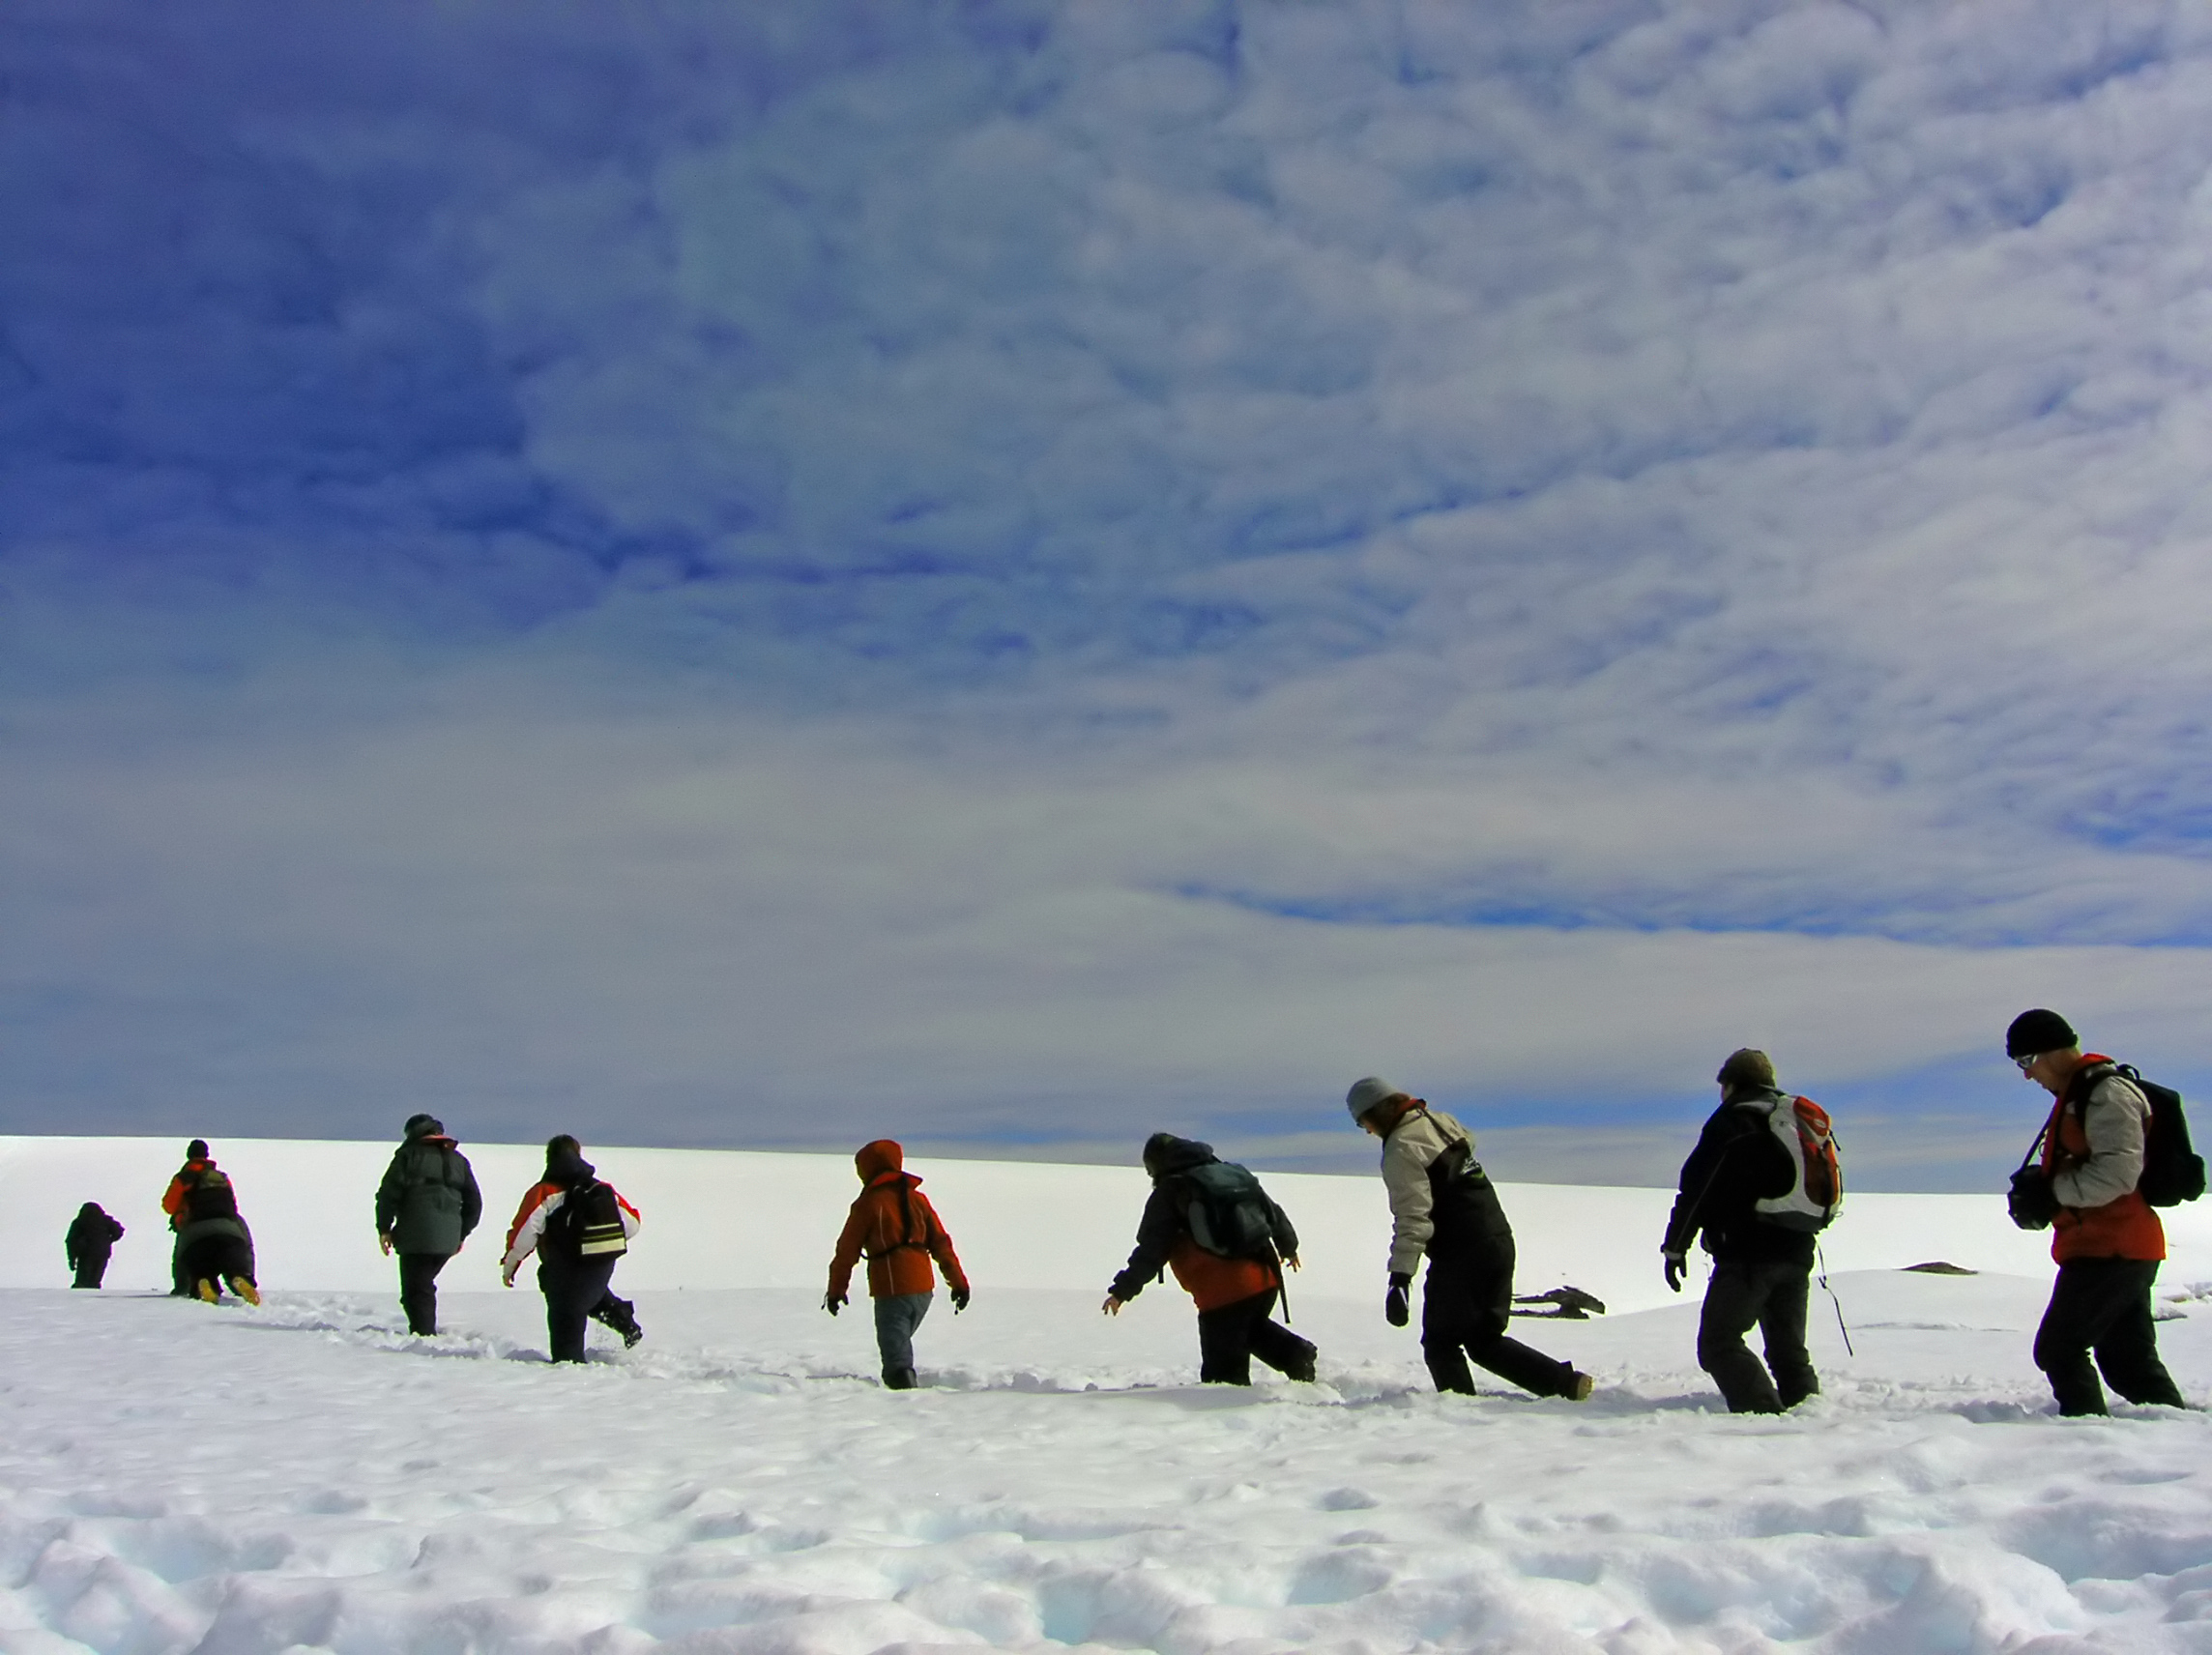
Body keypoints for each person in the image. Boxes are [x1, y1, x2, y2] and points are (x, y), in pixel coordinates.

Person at [1346, 1078, 1592, 1401]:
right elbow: (1468, 1145)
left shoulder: (1401, 1148)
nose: (1367, 1131)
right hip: (1498, 1238)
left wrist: (1400, 1278)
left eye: (1364, 1121)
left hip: (1461, 1252)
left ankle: (1459, 1419)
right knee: (1483, 1340)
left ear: (1380, 1110)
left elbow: (1412, 1217)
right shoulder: (1441, 1121)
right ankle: (1565, 1384)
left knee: (1440, 1343)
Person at [2006, 1007, 2186, 1416]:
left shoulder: (2105, 1094)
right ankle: (2177, 1438)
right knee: (2128, 1362)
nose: (2027, 1075)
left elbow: (2117, 1174)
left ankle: (2082, 1436)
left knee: (2058, 1348)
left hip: (2113, 1247)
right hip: (2114, 1246)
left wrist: (2052, 1193)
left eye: (2026, 1062)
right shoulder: (2079, 1095)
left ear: (2050, 1053)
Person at [1660, 1049, 1820, 1413]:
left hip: (1748, 1254)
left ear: (1731, 1084)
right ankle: (1811, 1416)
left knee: (1719, 1343)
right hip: (1798, 1249)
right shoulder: (1795, 1120)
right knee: (1788, 1351)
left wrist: (1675, 1248)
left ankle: (1763, 1415)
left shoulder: (1731, 1122)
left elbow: (1696, 1191)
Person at [1102, 1133, 1317, 1386]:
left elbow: (1152, 1250)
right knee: (1249, 1331)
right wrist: (1288, 1247)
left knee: (1223, 1378)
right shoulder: (1231, 1175)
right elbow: (1273, 1213)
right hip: (1265, 1278)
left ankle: (1291, 1358)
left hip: (1223, 1291)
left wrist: (1122, 1291)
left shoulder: (1171, 1191)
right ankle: (1294, 1354)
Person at [824, 1139, 972, 1390]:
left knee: (896, 1361)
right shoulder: (919, 1200)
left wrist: (836, 1290)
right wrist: (959, 1284)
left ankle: (905, 1409)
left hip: (892, 1289)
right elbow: (941, 1244)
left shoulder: (868, 1204)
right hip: (924, 1290)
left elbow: (846, 1251)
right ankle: (906, 1396)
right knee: (899, 1346)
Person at [501, 1136, 643, 1362]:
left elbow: (524, 1234)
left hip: (565, 1266)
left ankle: (571, 1374)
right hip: (601, 1263)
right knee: (589, 1292)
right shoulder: (600, 1188)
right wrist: (596, 1241)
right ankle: (623, 1319)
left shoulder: (544, 1192)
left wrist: (510, 1266)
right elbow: (632, 1224)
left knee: (566, 1320)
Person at [374, 1113, 484, 1336]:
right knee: (422, 1284)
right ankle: (423, 1332)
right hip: (448, 1240)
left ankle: (424, 1336)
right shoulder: (458, 1160)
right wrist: (461, 1234)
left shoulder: (407, 1156)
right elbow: (475, 1202)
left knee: (416, 1289)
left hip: (414, 1237)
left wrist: (384, 1228)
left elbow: (388, 1194)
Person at [161, 1139, 260, 1305]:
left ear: (189, 1155)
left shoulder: (184, 1178)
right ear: (206, 1155)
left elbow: (169, 1205)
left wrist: (179, 1288)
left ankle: (203, 1283)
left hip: (194, 1232)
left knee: (197, 1265)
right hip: (230, 1230)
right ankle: (240, 1279)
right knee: (234, 1264)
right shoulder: (221, 1177)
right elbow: (233, 1204)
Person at [66, 1202, 125, 1289]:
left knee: (82, 1281)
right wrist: (108, 1240)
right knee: (95, 1280)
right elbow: (119, 1231)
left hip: (85, 1253)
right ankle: (94, 1298)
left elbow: (71, 1241)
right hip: (103, 1253)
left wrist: (72, 1260)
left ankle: (80, 1299)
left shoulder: (79, 1222)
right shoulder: (106, 1220)